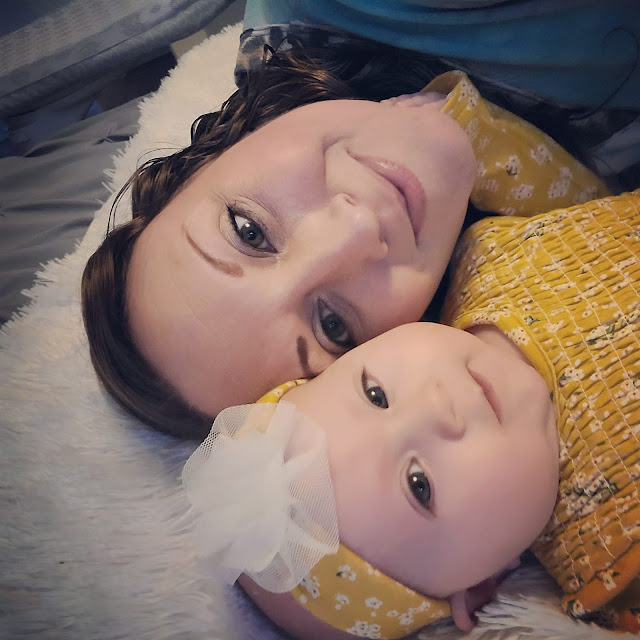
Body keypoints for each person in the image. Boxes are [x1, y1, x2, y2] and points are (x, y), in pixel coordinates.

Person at [81, 38, 609, 440]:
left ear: (210, 154)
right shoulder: (548, 264)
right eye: (334, 326)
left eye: (250, 231)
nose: (357, 230)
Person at [181, 187, 640, 639]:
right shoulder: (609, 550)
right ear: (481, 587)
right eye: (419, 484)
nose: (436, 406)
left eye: (376, 394)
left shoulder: (469, 259)